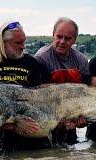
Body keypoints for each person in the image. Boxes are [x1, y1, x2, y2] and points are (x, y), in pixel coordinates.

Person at [0, 21, 51, 151]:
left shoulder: (33, 64)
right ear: (3, 43)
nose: (23, 47)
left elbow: (46, 97)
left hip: (30, 131)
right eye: (18, 43)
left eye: (24, 41)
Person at [35, 17, 91, 145]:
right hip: (47, 123)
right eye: (59, 36)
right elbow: (38, 96)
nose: (62, 42)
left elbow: (86, 95)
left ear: (74, 40)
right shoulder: (41, 59)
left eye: (67, 38)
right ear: (53, 36)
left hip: (72, 119)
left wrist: (83, 119)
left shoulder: (82, 60)